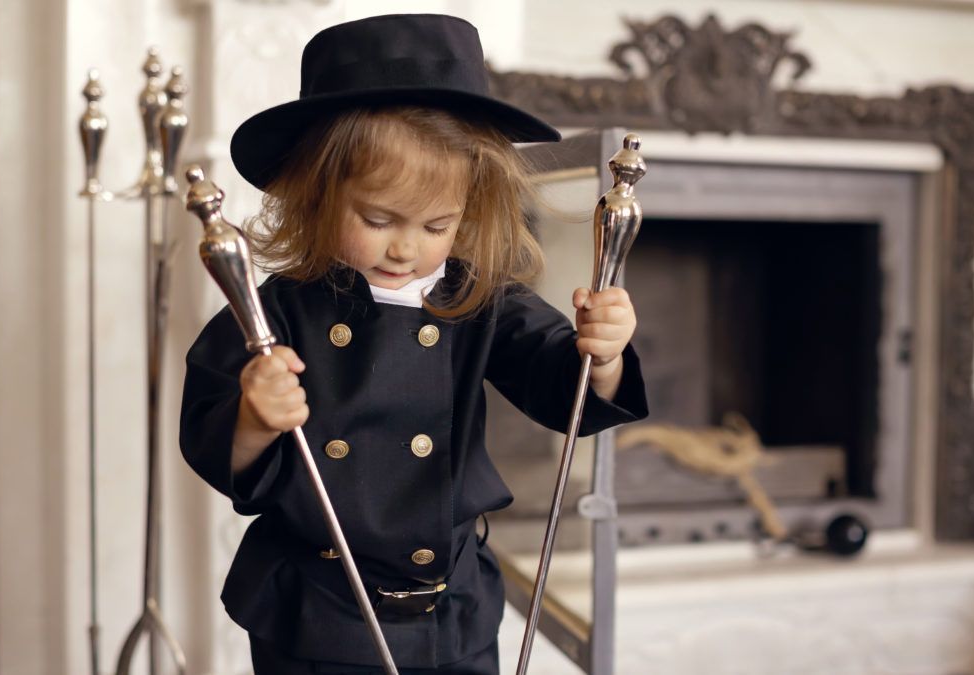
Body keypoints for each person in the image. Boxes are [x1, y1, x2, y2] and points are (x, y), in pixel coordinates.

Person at [179, 13, 648, 675]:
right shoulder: (276, 310)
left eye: (437, 224)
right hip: (318, 613)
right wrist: (255, 417)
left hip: (452, 608)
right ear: (317, 194)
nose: (406, 247)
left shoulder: (475, 298)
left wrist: (603, 355)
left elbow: (559, 381)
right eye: (378, 219)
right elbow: (213, 435)